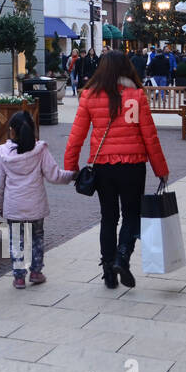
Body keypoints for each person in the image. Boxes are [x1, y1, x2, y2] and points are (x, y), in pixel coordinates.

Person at [64, 51, 169, 290]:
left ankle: (108, 270)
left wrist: (71, 166)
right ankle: (123, 256)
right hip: (133, 165)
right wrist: (160, 169)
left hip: (103, 166)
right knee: (131, 214)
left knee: (108, 217)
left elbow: (76, 135)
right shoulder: (137, 95)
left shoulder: (89, 95)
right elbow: (149, 135)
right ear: (126, 68)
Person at [0, 110, 76, 289]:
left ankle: (19, 277)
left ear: (11, 132)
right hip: (35, 207)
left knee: (17, 240)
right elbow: (54, 176)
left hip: (13, 207)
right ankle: (36, 272)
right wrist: (73, 175)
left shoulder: (3, 155)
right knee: (37, 238)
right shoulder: (40, 151)